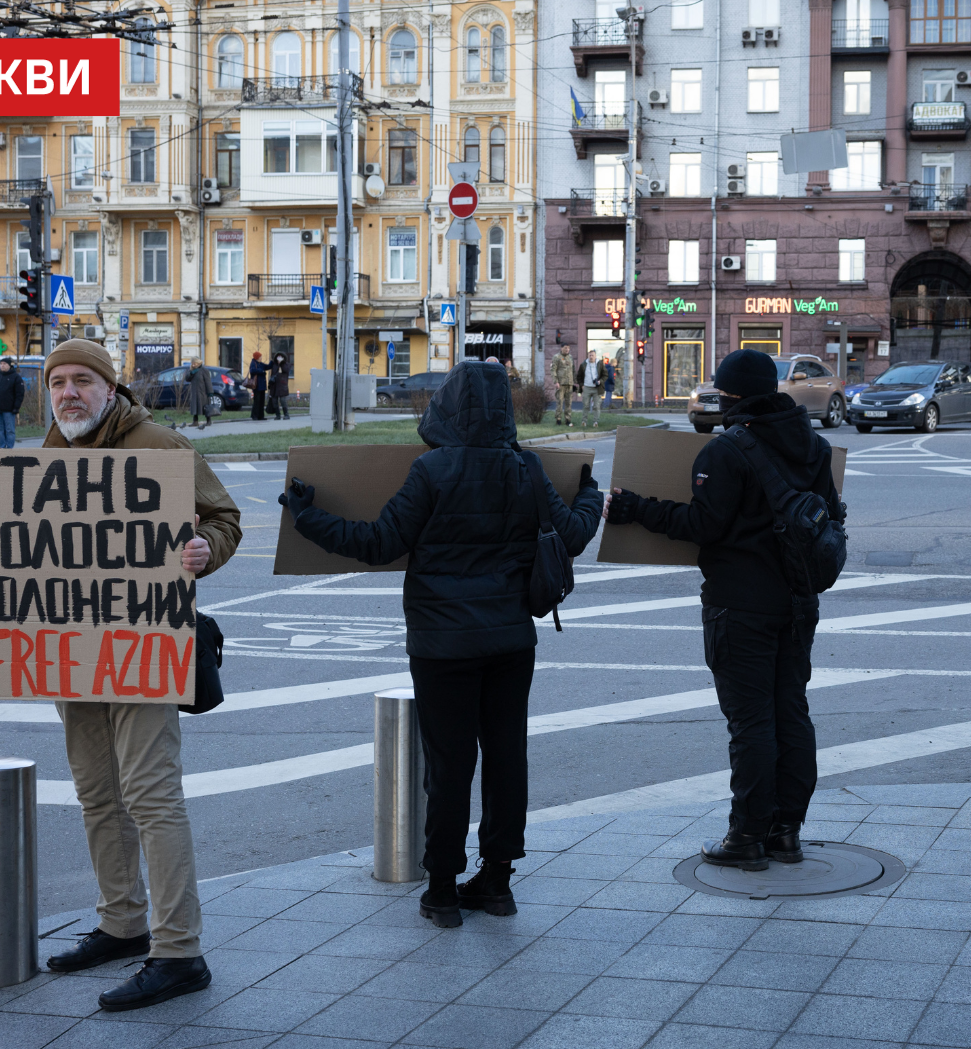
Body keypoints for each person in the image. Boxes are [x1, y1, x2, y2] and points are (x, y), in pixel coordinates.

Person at [0, 338, 242, 1012]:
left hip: (143, 644)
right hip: (72, 649)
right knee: (98, 793)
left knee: (151, 796)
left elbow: (225, 519)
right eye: (57, 382)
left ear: (110, 388)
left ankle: (179, 951)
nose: (68, 392)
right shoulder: (47, 455)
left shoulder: (159, 446)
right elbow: (19, 550)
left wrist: (204, 548)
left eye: (82, 380)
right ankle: (122, 921)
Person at [279, 362, 601, 926]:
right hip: (510, 642)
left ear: (448, 407)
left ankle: (443, 891)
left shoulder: (431, 470)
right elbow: (571, 534)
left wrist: (307, 517)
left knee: (449, 765)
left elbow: (379, 544)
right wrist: (591, 495)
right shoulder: (525, 468)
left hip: (441, 644)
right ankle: (497, 883)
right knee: (507, 759)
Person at [605, 349, 841, 869]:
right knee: (791, 713)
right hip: (799, 602)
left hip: (740, 605)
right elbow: (831, 515)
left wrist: (636, 509)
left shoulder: (726, 451)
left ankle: (747, 837)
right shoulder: (815, 446)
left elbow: (702, 527)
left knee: (751, 722)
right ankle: (786, 832)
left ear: (733, 396)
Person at [0, 357, 25, 449]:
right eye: (1, 364)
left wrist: (16, 407)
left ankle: (9, 448)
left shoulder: (16, 377)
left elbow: (19, 394)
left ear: (9, 365)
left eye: (4, 364)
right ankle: (2, 447)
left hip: (9, 410)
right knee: (0, 430)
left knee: (9, 430)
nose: (2, 365)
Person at [184, 357, 214, 430]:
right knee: (195, 407)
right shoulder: (191, 370)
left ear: (198, 363)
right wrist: (191, 373)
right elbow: (187, 379)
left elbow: (208, 382)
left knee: (205, 407)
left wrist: (210, 392)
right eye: (192, 363)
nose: (193, 365)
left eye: (194, 363)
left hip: (203, 392)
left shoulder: (204, 370)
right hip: (194, 392)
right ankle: (195, 421)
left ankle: (209, 421)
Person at [579, 349, 604, 428]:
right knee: (585, 405)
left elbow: (605, 375)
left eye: (592, 355)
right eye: (590, 355)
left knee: (596, 406)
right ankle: (584, 421)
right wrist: (582, 385)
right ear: (588, 356)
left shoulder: (600, 364)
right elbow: (579, 376)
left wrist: (600, 381)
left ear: (595, 356)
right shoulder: (584, 364)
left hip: (597, 388)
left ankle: (595, 422)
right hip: (586, 387)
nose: (591, 357)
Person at [551, 344, 574, 426]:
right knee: (559, 402)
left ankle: (568, 419)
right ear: (561, 348)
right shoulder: (556, 357)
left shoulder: (570, 357)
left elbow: (573, 370)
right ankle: (558, 419)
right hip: (561, 383)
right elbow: (553, 370)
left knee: (569, 403)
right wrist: (556, 381)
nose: (567, 349)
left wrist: (574, 382)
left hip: (569, 383)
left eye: (568, 348)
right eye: (565, 348)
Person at [267, 353, 290, 420]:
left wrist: (281, 363)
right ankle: (278, 415)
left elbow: (286, 370)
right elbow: (272, 375)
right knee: (274, 401)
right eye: (278, 356)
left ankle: (286, 414)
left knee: (283, 401)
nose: (279, 358)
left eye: (280, 356)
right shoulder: (274, 365)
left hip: (282, 386)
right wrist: (270, 385)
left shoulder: (286, 364)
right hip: (274, 386)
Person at [247, 351, 268, 421]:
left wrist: (272, 363)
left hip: (262, 386)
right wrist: (262, 371)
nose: (261, 358)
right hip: (257, 385)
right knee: (257, 401)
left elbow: (267, 366)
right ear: (257, 357)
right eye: (260, 357)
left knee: (261, 401)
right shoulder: (253, 363)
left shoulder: (260, 363)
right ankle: (255, 416)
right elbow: (252, 370)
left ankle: (261, 416)